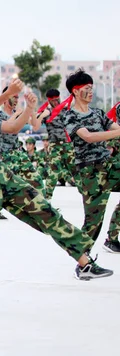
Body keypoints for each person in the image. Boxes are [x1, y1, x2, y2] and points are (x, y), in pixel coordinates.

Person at [0, 72, 113, 317]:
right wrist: (6, 94)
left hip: (0, 172)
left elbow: (11, 127)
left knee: (46, 212)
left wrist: (29, 109)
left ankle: (84, 263)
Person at [57, 69, 120, 253]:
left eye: (92, 88)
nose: (91, 92)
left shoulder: (98, 113)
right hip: (90, 172)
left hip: (107, 166)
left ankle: (113, 236)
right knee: (93, 222)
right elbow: (89, 137)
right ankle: (82, 261)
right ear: (75, 91)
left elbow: (115, 128)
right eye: (87, 88)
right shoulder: (70, 116)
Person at [32, 89, 79, 199]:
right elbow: (35, 127)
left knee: (76, 170)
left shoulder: (66, 108)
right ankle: (47, 199)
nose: (56, 102)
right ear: (49, 100)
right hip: (54, 145)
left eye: (58, 99)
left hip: (68, 144)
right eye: (54, 101)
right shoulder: (45, 111)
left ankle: (87, 195)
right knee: (53, 172)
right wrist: (43, 115)